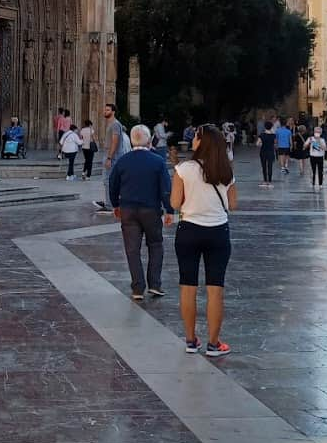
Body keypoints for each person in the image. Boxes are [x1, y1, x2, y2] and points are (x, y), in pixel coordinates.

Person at [170, 123, 237, 357]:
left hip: (188, 230)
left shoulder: (184, 169)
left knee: (188, 286)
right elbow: (233, 205)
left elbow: (175, 203)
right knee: (215, 289)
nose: (193, 140)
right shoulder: (226, 170)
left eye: (196, 137)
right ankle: (214, 343)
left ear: (202, 142)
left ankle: (190, 340)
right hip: (218, 232)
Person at [109, 123, 174, 299]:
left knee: (132, 249)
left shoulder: (123, 161)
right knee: (155, 245)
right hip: (151, 210)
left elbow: (113, 185)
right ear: (148, 140)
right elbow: (165, 188)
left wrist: (115, 205)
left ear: (131, 140)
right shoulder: (158, 161)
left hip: (128, 209)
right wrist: (169, 209)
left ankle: (137, 288)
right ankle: (155, 284)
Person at [96, 103, 131, 211]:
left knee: (108, 180)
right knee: (109, 180)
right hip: (109, 153)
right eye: (105, 110)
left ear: (113, 112)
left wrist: (109, 158)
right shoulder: (112, 124)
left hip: (112, 155)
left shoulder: (115, 124)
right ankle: (110, 201)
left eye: (107, 110)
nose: (105, 112)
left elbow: (115, 141)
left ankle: (110, 205)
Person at [258, 120, 277, 187]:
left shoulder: (262, 135)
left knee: (264, 166)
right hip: (271, 152)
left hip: (263, 152)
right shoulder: (273, 135)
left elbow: (258, 144)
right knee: (270, 166)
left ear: (265, 127)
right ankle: (270, 181)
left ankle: (265, 181)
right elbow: (275, 144)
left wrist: (261, 143)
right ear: (271, 127)